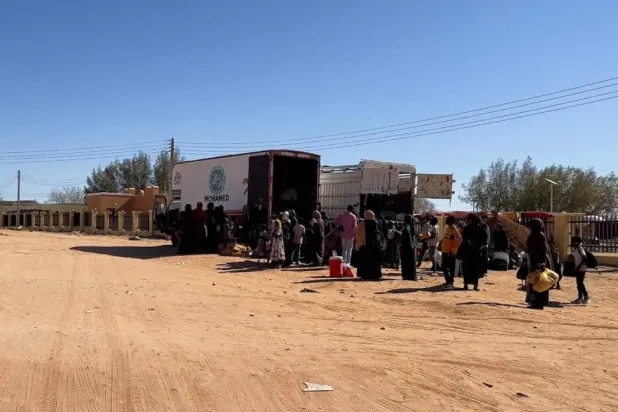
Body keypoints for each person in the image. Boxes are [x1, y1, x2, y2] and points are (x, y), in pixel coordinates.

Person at [525, 218, 554, 309]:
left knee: (539, 282)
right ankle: (536, 302)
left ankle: (538, 303)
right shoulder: (537, 234)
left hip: (539, 262)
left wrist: (541, 263)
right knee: (536, 281)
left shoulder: (538, 235)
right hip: (536, 261)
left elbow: (543, 250)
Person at [456, 214, 487, 291]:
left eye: (468, 219)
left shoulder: (480, 230)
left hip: (476, 252)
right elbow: (464, 240)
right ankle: (466, 284)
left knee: (475, 268)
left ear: (472, 220)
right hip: (467, 252)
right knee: (466, 268)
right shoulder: (466, 228)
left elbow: (484, 241)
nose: (467, 221)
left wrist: (478, 244)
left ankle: (475, 285)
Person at [354, 210, 384, 280]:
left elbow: (357, 234)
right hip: (375, 247)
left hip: (364, 247)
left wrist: (358, 244)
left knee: (364, 261)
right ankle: (375, 275)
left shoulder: (361, 224)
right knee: (374, 261)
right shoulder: (377, 223)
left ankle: (364, 275)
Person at [441, 215, 462, 289]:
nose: (446, 220)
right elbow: (447, 238)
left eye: (447, 219)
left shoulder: (454, 228)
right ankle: (448, 281)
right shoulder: (448, 228)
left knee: (449, 268)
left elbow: (459, 239)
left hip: (450, 252)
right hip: (445, 250)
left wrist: (453, 250)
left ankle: (450, 284)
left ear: (452, 221)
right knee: (444, 267)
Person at [570, 236, 590, 304]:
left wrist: (578, 267)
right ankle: (580, 298)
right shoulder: (575, 249)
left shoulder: (580, 248)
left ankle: (586, 296)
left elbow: (585, 258)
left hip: (581, 269)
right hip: (578, 269)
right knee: (579, 284)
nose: (572, 242)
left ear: (576, 242)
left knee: (580, 283)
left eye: (573, 241)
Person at [400, 214, 417, 281]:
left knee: (406, 263)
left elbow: (407, 239)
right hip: (412, 247)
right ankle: (412, 276)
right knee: (411, 263)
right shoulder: (412, 227)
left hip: (406, 247)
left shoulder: (406, 227)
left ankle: (406, 276)